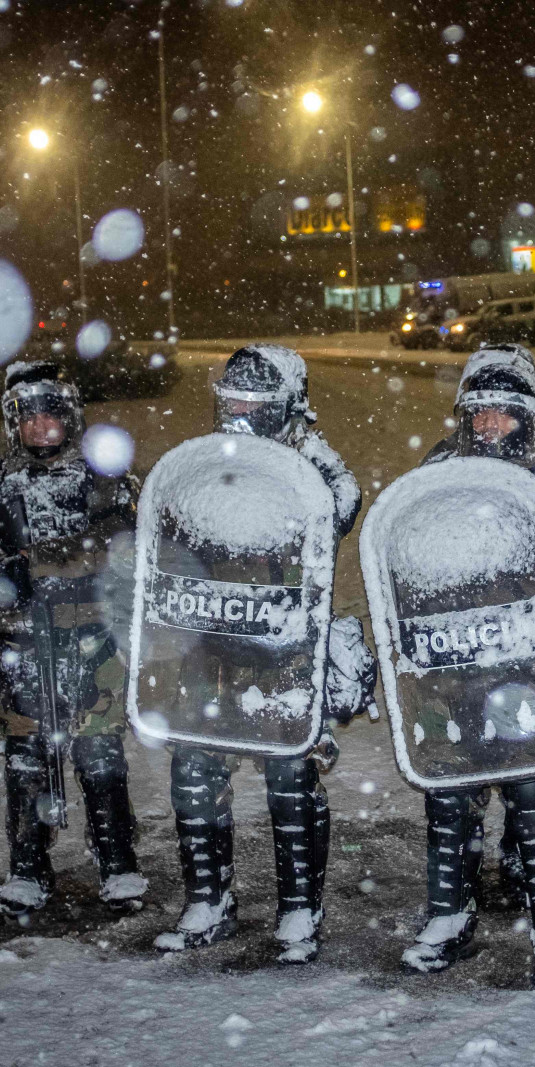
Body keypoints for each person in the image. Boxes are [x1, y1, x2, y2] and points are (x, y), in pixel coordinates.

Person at [152, 344, 375, 963]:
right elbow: (168, 533)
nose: (241, 412)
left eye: (255, 402)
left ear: (287, 406)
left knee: (290, 777)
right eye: (232, 399)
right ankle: (208, 898)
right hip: (211, 647)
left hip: (283, 649)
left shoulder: (316, 466)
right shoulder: (203, 464)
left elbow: (335, 508)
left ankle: (300, 910)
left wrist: (271, 470)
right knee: (195, 771)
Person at [400, 346, 535, 987]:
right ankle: (450, 915)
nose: (490, 426)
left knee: (532, 793)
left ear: (529, 416)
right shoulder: (441, 467)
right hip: (456, 659)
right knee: (449, 793)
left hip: (525, 666)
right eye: (480, 413)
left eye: (504, 415)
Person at [0, 360, 147, 915]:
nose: (39, 428)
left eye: (50, 416)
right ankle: (28, 868)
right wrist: (0, 564)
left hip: (90, 642)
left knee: (99, 753)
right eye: (27, 418)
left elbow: (123, 537)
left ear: (69, 418)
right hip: (20, 646)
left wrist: (49, 561)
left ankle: (118, 862)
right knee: (26, 757)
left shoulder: (99, 475)